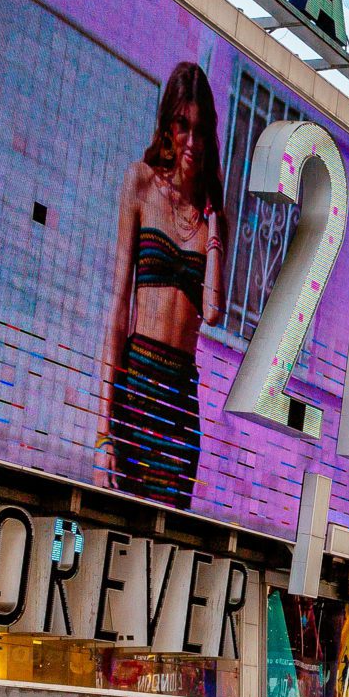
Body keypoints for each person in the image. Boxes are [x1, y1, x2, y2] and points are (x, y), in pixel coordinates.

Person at [103, 60, 226, 511]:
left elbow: (212, 311)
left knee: (165, 535)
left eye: (199, 128)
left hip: (180, 395)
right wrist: (104, 430)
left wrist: (213, 228)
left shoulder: (215, 218)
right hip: (137, 384)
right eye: (182, 125)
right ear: (168, 126)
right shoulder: (140, 184)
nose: (191, 140)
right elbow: (119, 305)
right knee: (116, 527)